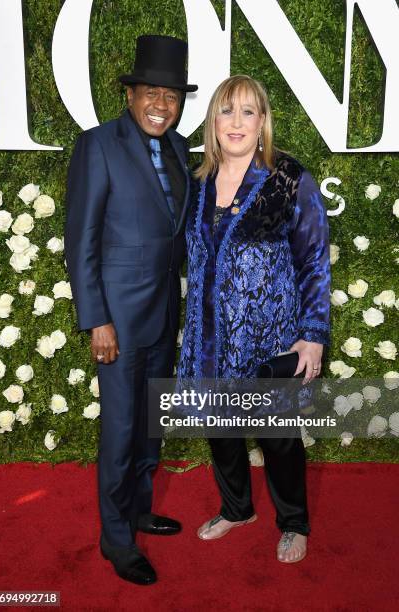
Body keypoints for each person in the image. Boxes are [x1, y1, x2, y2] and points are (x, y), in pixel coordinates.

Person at [178, 75, 331, 563]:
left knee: (278, 437)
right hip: (209, 336)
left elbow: (314, 261)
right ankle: (237, 508)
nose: (237, 122)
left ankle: (293, 522)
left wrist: (312, 336)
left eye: (248, 111)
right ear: (213, 122)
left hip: (272, 337)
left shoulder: (288, 178)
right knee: (220, 429)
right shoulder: (196, 181)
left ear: (263, 121)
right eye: (227, 111)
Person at [65, 35, 197, 585]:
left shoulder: (180, 148)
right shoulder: (98, 146)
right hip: (116, 322)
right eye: (151, 93)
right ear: (131, 95)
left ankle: (139, 509)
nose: (160, 105)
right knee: (120, 432)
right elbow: (82, 238)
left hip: (165, 315)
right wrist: (97, 319)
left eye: (170, 95)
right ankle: (116, 539)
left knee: (149, 426)